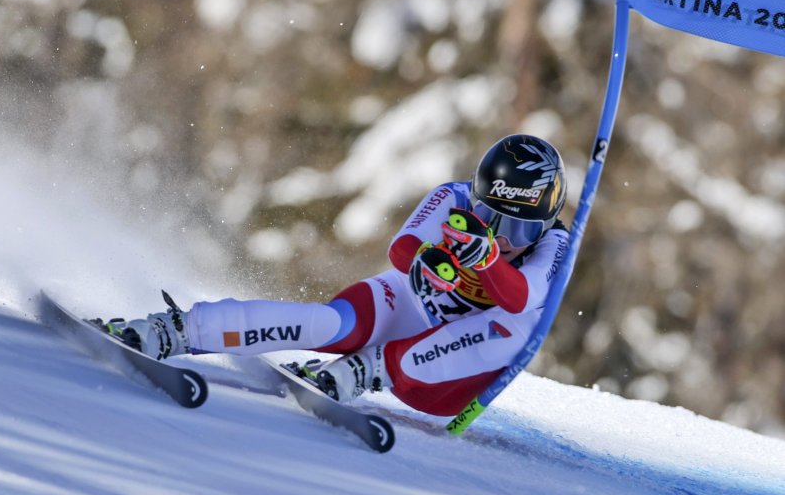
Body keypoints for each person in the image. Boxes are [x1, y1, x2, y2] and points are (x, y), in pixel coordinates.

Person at [111, 134, 569, 417]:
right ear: (475, 198)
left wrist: (486, 259)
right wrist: (426, 261)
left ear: (545, 223)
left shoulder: (555, 246)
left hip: (443, 380)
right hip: (412, 307)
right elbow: (401, 249)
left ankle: (366, 371)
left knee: (517, 326)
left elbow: (519, 296)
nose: (505, 238)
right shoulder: (453, 198)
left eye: (520, 226)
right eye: (492, 218)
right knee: (332, 324)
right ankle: (175, 329)